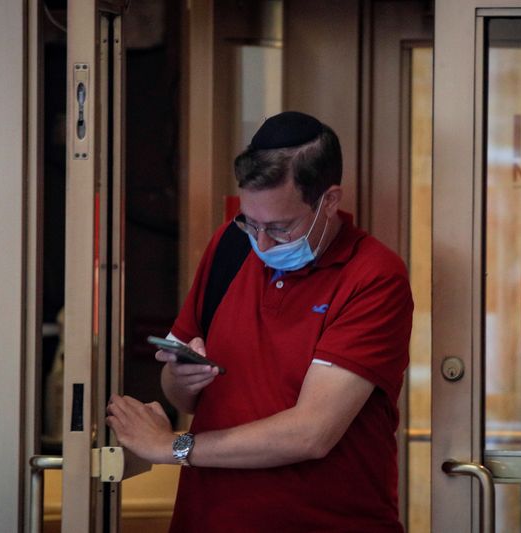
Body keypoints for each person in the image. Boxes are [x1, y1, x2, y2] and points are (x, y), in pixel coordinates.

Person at [106, 111, 413, 532]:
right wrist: (183, 376)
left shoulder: (373, 275)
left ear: (329, 200)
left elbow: (311, 433)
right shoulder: (231, 246)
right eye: (251, 222)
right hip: (208, 518)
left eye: (280, 227)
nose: (262, 243)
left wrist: (173, 446)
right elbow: (182, 396)